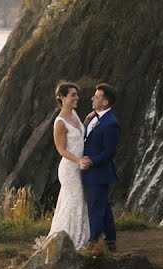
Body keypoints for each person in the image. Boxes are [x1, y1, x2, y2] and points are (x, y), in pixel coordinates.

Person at [44, 82, 90, 247]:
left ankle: (79, 237)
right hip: (70, 168)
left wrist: (90, 118)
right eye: (72, 95)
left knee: (78, 200)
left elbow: (78, 134)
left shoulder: (75, 115)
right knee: (74, 200)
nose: (76, 98)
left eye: (77, 95)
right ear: (62, 98)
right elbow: (61, 149)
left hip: (80, 166)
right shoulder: (60, 122)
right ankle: (70, 241)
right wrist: (78, 160)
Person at [79, 83, 120, 250]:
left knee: (96, 207)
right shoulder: (94, 118)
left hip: (98, 172)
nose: (92, 99)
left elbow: (109, 152)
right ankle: (110, 241)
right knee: (104, 207)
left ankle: (94, 242)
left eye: (96, 97)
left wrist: (92, 161)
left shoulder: (111, 123)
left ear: (105, 102)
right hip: (92, 172)